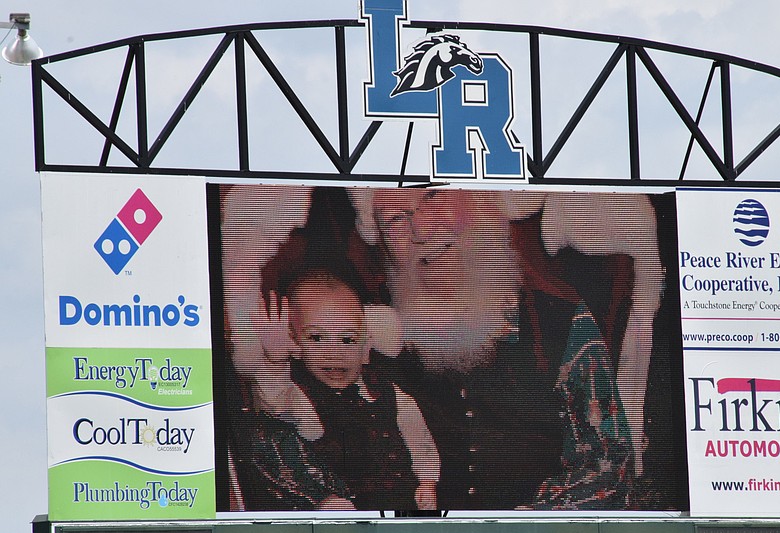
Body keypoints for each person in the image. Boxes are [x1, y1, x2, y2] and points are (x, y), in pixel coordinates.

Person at [223, 185, 670, 510]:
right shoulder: (351, 329)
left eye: (433, 196)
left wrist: (524, 529)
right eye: (395, 219)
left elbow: (607, 464)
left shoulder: (558, 318)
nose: (421, 228)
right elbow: (276, 438)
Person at [231, 269, 439, 511]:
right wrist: (276, 361)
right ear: (295, 345)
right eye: (317, 337)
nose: (334, 353)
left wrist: (427, 481)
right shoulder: (301, 396)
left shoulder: (390, 393)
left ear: (366, 347)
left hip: (399, 505)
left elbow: (418, 437)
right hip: (338, 512)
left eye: (348, 339)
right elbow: (278, 406)